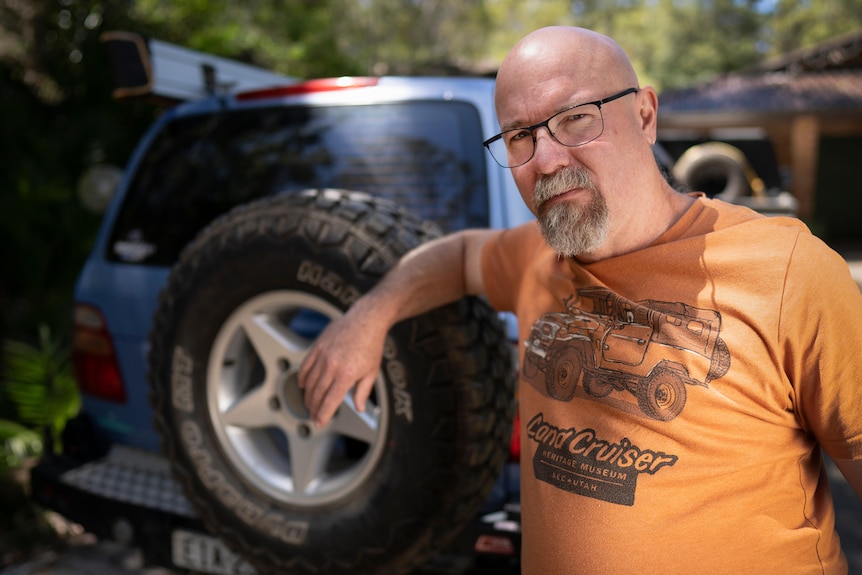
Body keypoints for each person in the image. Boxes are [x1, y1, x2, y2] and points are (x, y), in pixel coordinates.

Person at [299, 26, 862, 574]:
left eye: (574, 119)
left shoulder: (788, 272)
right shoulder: (534, 259)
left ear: (644, 115)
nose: (546, 160)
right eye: (520, 136)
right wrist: (368, 317)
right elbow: (459, 256)